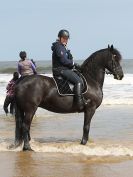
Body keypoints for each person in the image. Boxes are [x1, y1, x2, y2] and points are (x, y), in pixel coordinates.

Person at [51, 29, 85, 110]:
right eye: (64, 38)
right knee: (78, 81)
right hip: (60, 70)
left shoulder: (62, 47)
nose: (65, 40)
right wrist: (73, 64)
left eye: (66, 38)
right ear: (59, 37)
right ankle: (79, 103)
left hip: (64, 68)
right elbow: (63, 60)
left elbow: (67, 59)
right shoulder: (59, 46)